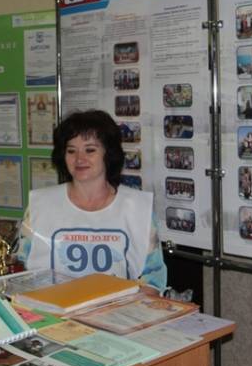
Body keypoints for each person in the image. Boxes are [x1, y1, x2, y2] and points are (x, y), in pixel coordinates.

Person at [15, 110, 166, 293]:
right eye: (71, 151)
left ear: (108, 153)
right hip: (53, 317)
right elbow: (20, 272)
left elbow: (153, 281)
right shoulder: (40, 205)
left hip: (117, 317)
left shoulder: (138, 208)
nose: (79, 159)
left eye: (90, 150)